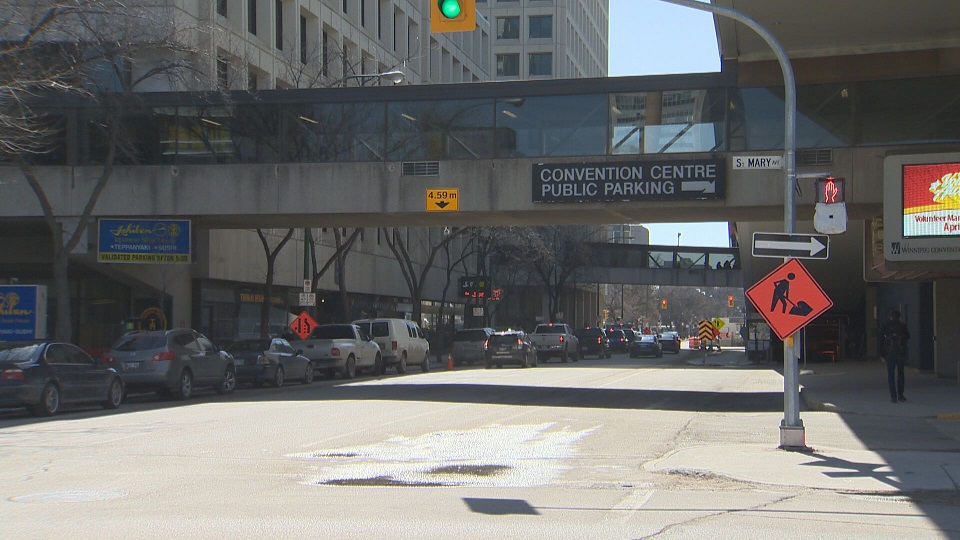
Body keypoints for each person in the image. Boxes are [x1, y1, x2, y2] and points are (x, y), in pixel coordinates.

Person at [879, 309, 910, 403]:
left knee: (891, 375)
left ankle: (893, 396)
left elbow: (881, 340)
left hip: (889, 354)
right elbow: (908, 336)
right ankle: (900, 395)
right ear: (899, 317)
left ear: (890, 317)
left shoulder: (886, 326)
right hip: (900, 354)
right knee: (900, 373)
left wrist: (881, 354)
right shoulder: (903, 326)